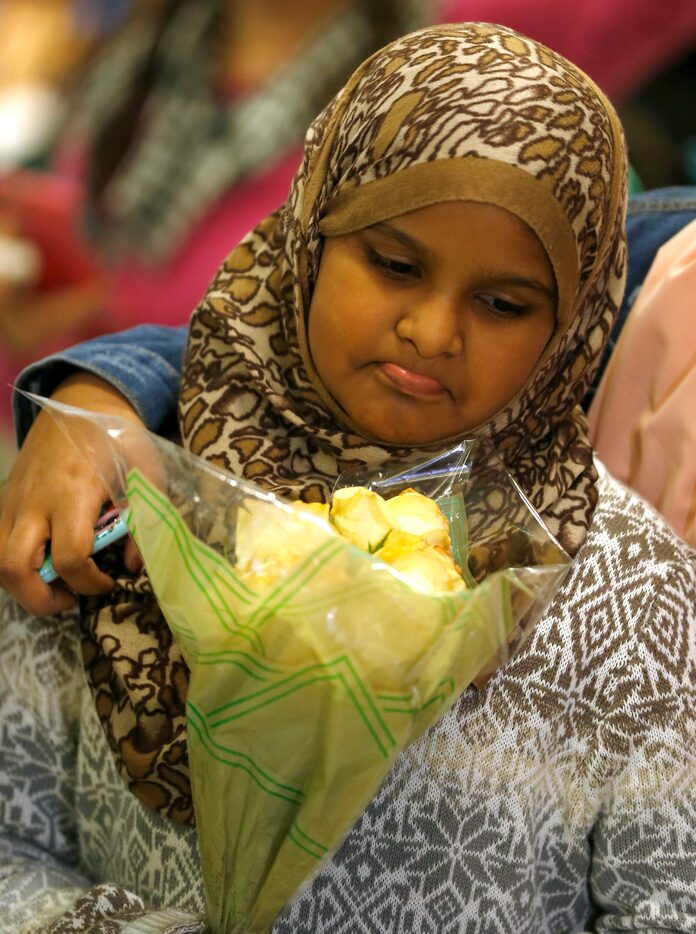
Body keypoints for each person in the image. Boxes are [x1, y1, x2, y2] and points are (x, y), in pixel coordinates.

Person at [1, 21, 695, 933]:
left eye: (504, 303)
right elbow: (15, 840)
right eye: (395, 265)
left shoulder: (628, 593)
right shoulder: (123, 486)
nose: (434, 330)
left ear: (575, 325)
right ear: (309, 236)